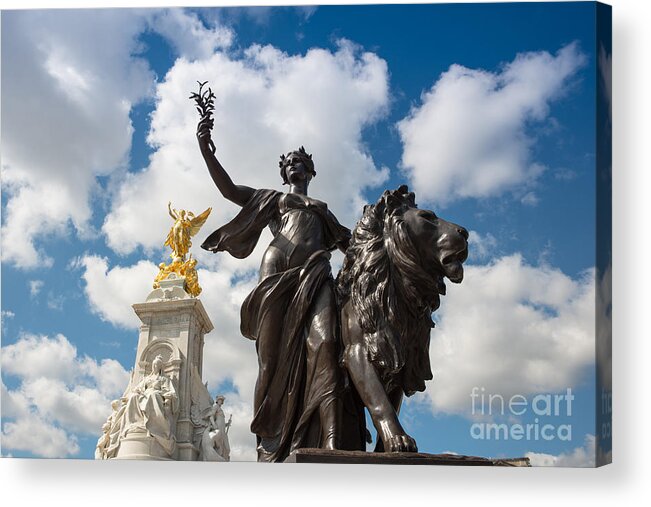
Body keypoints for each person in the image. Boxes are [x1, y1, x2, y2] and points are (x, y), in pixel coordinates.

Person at [197, 119, 351, 462]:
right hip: (276, 273)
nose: (293, 165)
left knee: (326, 344)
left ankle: (331, 439)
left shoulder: (324, 212)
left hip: (315, 275)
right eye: (288, 163)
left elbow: (354, 247)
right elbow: (229, 190)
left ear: (310, 171)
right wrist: (206, 151)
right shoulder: (274, 199)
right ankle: (265, 444)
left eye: (299, 161)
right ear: (284, 174)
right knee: (268, 361)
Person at [121, 354, 178, 456]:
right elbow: (138, 388)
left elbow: (170, 391)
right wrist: (138, 391)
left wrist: (166, 397)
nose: (155, 366)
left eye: (157, 365)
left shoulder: (164, 379)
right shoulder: (147, 378)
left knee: (153, 395)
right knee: (133, 397)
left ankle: (154, 428)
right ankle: (133, 425)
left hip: (156, 395)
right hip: (144, 395)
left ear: (160, 366)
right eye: (154, 365)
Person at [200, 395, 232, 461]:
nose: (221, 401)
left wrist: (227, 424)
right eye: (220, 400)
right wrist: (214, 425)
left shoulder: (221, 410)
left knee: (227, 448)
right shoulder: (216, 407)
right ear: (217, 401)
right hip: (218, 427)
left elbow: (222, 422)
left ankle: (223, 458)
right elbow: (211, 416)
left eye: (222, 401)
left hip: (223, 429)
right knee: (219, 446)